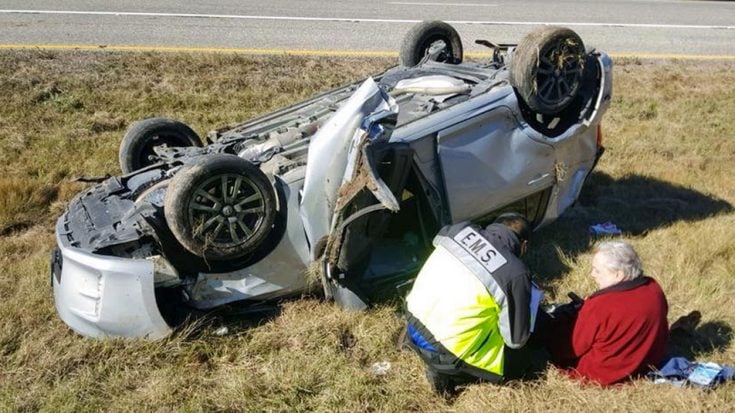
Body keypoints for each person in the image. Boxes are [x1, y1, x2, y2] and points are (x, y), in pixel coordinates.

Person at [404, 213, 538, 395]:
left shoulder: (458, 229)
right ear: (524, 246)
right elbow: (515, 341)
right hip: (447, 353)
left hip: (412, 319)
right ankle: (447, 373)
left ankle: (436, 360)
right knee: (522, 363)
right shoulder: (515, 273)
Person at [548, 241, 669, 385]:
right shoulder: (654, 288)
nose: (592, 274)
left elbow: (571, 348)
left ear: (619, 275)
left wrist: (551, 332)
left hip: (600, 375)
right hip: (644, 366)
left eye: (597, 270)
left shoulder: (601, 305)